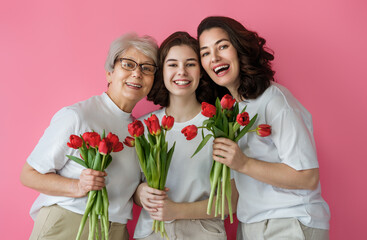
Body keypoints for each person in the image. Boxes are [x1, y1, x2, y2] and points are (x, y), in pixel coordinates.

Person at [197, 16, 330, 240]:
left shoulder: (274, 100)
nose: (215, 57)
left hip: (290, 222)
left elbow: (308, 176)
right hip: (251, 225)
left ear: (239, 48)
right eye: (205, 53)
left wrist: (244, 163)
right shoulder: (230, 110)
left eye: (222, 46)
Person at [20, 33, 158, 240]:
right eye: (128, 64)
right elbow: (28, 174)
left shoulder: (140, 132)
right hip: (69, 224)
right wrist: (77, 186)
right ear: (110, 73)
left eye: (147, 68)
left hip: (116, 230)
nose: (137, 73)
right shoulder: (77, 116)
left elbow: (128, 188)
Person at [133, 31, 238, 240]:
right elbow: (132, 189)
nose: (181, 72)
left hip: (203, 233)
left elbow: (231, 201)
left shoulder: (220, 125)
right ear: (162, 72)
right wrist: (140, 194)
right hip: (151, 233)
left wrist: (176, 210)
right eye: (172, 65)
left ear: (201, 71)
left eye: (190, 64)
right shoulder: (144, 127)